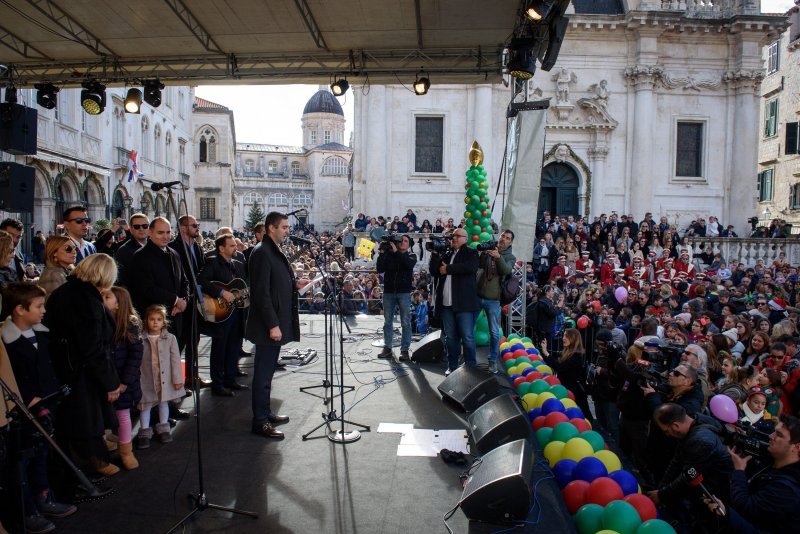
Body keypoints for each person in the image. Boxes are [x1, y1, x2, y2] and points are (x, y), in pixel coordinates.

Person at [0, 282, 77, 533]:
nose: (44, 310)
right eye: (39, 306)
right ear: (19, 310)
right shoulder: (6, 341)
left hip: (47, 404)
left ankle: (44, 497)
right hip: (21, 411)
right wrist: (27, 397)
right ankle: (28, 510)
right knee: (21, 462)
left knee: (43, 454)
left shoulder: (42, 334)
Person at [44, 253, 121, 477]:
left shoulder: (65, 292)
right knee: (85, 420)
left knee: (77, 419)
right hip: (80, 371)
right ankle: (89, 465)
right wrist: (111, 382)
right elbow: (93, 347)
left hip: (67, 367)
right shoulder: (86, 300)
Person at [246, 212, 299, 439]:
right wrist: (273, 325)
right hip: (268, 326)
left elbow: (276, 283)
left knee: (267, 375)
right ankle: (259, 421)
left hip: (275, 323)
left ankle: (266, 413)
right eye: (284, 227)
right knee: (263, 375)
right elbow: (261, 293)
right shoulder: (262, 253)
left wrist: (296, 284)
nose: (287, 230)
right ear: (270, 228)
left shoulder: (272, 250)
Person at [704, 414, 800, 533]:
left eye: (779, 435)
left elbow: (746, 509)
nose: (771, 436)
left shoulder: (788, 488)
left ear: (796, 447)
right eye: (774, 432)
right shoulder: (772, 457)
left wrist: (739, 471)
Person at [649, 403, 733, 528]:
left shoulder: (700, 441)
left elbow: (688, 476)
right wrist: (661, 488)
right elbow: (677, 461)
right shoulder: (693, 424)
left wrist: (662, 495)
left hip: (716, 494)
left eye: (666, 431)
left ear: (676, 425)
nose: (667, 435)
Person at [199, 234, 248, 397]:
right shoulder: (212, 262)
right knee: (220, 348)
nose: (236, 248)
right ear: (221, 248)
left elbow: (244, 285)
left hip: (236, 312)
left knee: (233, 347)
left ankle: (230, 379)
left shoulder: (238, 264)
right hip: (221, 313)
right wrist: (221, 292)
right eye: (232, 245)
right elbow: (202, 281)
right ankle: (218, 384)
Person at [102, 286, 143, 469]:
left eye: (107, 296)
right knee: (104, 416)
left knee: (123, 416)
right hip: (107, 380)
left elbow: (135, 357)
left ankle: (126, 451)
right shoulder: (101, 322)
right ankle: (106, 444)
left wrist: (125, 381)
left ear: (119, 304)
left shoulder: (130, 325)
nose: (102, 298)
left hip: (124, 381)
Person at [430, 228, 480, 376]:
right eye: (452, 236)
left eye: (457, 236)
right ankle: (452, 366)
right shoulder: (447, 253)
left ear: (466, 238)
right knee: (450, 338)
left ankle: (470, 367)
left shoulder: (471, 253)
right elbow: (435, 271)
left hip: (464, 304)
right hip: (446, 304)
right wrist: (434, 254)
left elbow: (470, 267)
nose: (454, 238)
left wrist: (448, 269)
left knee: (467, 337)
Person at [136, 305, 184, 448]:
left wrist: (177, 380)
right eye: (152, 319)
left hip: (165, 379)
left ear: (164, 321)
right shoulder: (140, 339)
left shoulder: (170, 338)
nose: (155, 322)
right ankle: (144, 431)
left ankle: (163, 427)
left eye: (159, 319)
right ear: (146, 321)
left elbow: (176, 360)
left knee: (164, 403)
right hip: (146, 379)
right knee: (145, 405)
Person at [477, 230, 516, 373]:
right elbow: (480, 265)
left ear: (511, 242)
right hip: (478, 296)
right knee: (468, 327)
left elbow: (505, 270)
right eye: (502, 236)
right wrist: (484, 253)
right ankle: (467, 358)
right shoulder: (491, 247)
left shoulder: (511, 257)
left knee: (494, 332)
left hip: (494, 300)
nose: (503, 239)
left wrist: (498, 257)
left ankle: (492, 360)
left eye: (507, 238)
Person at [376, 234, 416, 362]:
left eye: (405, 241)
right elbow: (380, 269)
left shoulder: (411, 256)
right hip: (388, 292)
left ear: (409, 244)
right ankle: (387, 347)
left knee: (405, 321)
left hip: (404, 292)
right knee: (387, 322)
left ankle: (404, 350)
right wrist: (382, 253)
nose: (402, 242)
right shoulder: (390, 255)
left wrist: (396, 252)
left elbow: (408, 265)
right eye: (401, 240)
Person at [114, 213, 149, 288]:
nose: (141, 229)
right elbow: (121, 280)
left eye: (145, 226)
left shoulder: (157, 246)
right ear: (131, 229)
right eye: (137, 227)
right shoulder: (124, 251)